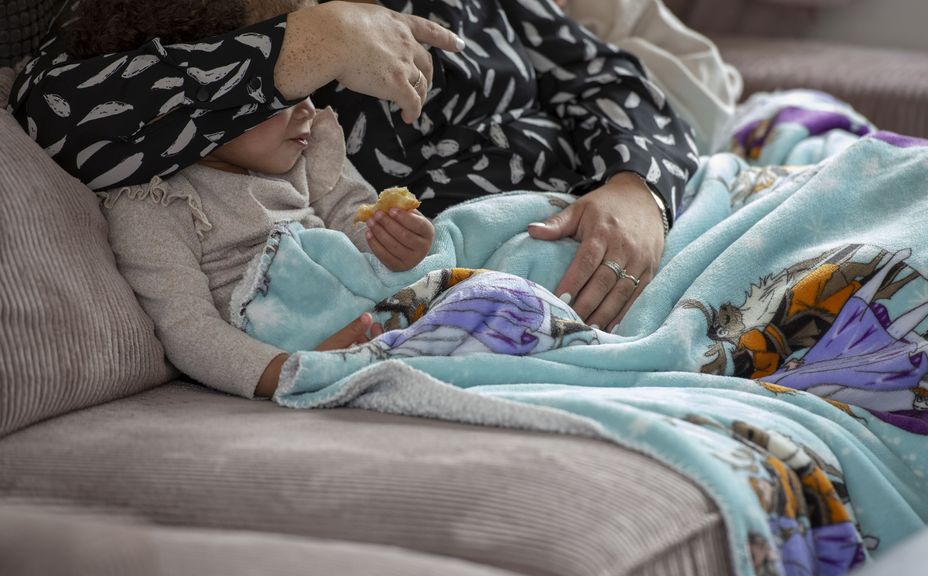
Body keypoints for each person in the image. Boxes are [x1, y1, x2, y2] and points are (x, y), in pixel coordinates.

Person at [9, 0, 700, 332]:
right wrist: (309, 45)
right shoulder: (199, 14)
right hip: (460, 282)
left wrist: (637, 187)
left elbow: (608, 77)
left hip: (611, 225)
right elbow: (57, 112)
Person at [76, 0, 434, 399]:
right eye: (280, 94)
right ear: (189, 102)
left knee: (479, 227)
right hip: (298, 337)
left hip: (375, 306)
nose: (308, 109)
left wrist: (398, 243)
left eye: (309, 87)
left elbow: (357, 220)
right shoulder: (155, 203)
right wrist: (294, 371)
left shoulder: (309, 149)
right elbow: (188, 329)